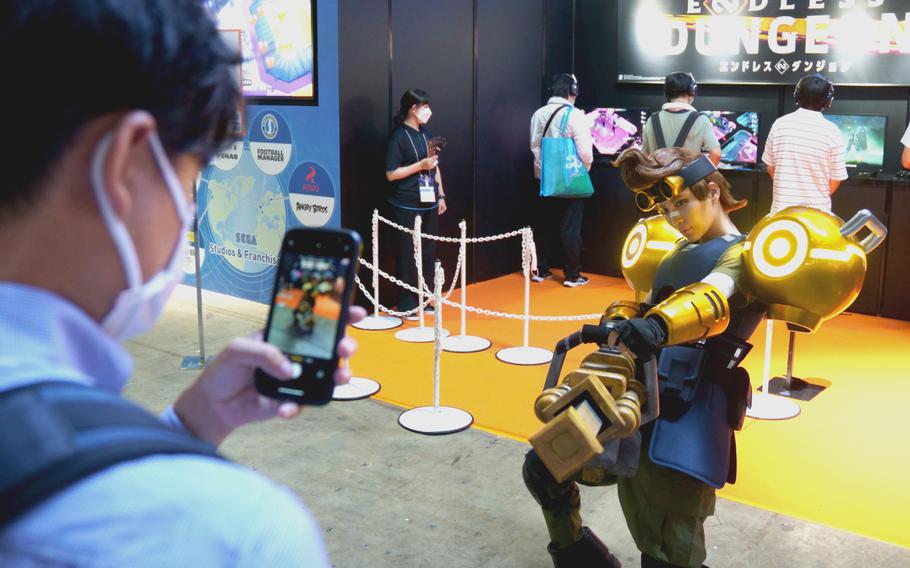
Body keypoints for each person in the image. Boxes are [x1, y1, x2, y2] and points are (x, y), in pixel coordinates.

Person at [0, 1, 365, 564]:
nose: (188, 213)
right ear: (125, 164)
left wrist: (189, 426)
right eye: (190, 174)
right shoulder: (238, 532)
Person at [524, 147, 762, 568]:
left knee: (668, 543)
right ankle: (580, 556)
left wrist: (656, 326)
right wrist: (622, 319)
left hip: (688, 405)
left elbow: (714, 293)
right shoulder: (676, 252)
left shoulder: (741, 254)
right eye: (667, 208)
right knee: (546, 466)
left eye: (682, 204)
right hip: (631, 384)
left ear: (711, 190)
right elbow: (647, 305)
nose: (675, 218)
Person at [385, 89, 447, 316]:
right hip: (406, 203)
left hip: (429, 200)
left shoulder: (425, 133)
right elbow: (391, 173)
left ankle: (426, 298)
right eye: (424, 107)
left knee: (428, 251)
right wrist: (419, 166)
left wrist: (441, 195)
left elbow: (434, 165)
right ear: (413, 109)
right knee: (408, 252)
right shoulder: (399, 136)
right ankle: (407, 303)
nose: (428, 111)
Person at [529, 73, 594, 288]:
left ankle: (541, 269)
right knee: (570, 228)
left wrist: (542, 171)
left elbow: (535, 146)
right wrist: (586, 168)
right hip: (571, 179)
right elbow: (585, 150)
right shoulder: (575, 115)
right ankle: (572, 275)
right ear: (572, 91)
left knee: (544, 225)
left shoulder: (538, 114)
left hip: (546, 179)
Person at [762, 73, 847, 214]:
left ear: (796, 96)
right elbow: (836, 179)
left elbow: (771, 168)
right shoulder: (833, 132)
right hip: (818, 216)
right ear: (828, 101)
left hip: (780, 213)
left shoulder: (779, 125)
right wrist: (816, 195)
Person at [641, 72, 721, 165]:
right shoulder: (701, 120)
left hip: (657, 178)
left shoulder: (652, 120)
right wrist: (704, 175)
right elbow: (716, 154)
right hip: (690, 179)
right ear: (692, 90)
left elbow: (645, 155)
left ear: (666, 93)